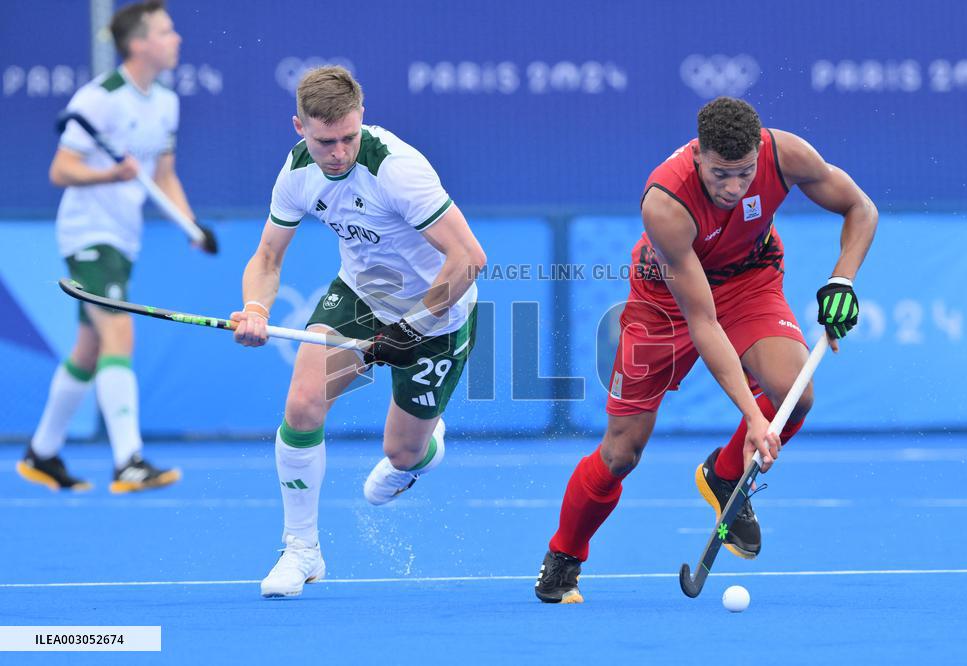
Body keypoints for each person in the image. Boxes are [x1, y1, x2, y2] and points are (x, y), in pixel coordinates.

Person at [535, 97, 878, 603]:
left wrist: (842, 280)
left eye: (744, 174)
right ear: (698, 155)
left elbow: (860, 208)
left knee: (793, 393)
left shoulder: (785, 154)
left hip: (749, 280)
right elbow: (704, 322)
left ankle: (725, 476)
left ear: (759, 152)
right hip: (664, 303)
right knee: (622, 451)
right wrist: (753, 418)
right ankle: (564, 554)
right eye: (720, 174)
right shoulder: (665, 203)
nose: (734, 188)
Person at [232, 65, 486, 599]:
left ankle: (421, 451)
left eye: (348, 137)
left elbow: (468, 258)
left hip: (437, 310)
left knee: (402, 453)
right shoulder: (297, 171)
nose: (339, 153)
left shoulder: (396, 169)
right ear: (299, 127)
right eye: (325, 142)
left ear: (361, 117)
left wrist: (412, 326)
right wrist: (254, 308)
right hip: (362, 294)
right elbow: (267, 258)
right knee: (302, 405)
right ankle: (301, 550)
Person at [18, 0, 211, 494]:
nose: (176, 38)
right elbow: (60, 170)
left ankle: (42, 453)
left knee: (89, 349)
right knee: (120, 334)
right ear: (138, 44)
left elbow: (164, 176)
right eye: (165, 31)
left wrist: (190, 225)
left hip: (125, 239)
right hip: (89, 235)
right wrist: (111, 174)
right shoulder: (99, 98)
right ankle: (129, 460)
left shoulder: (166, 102)